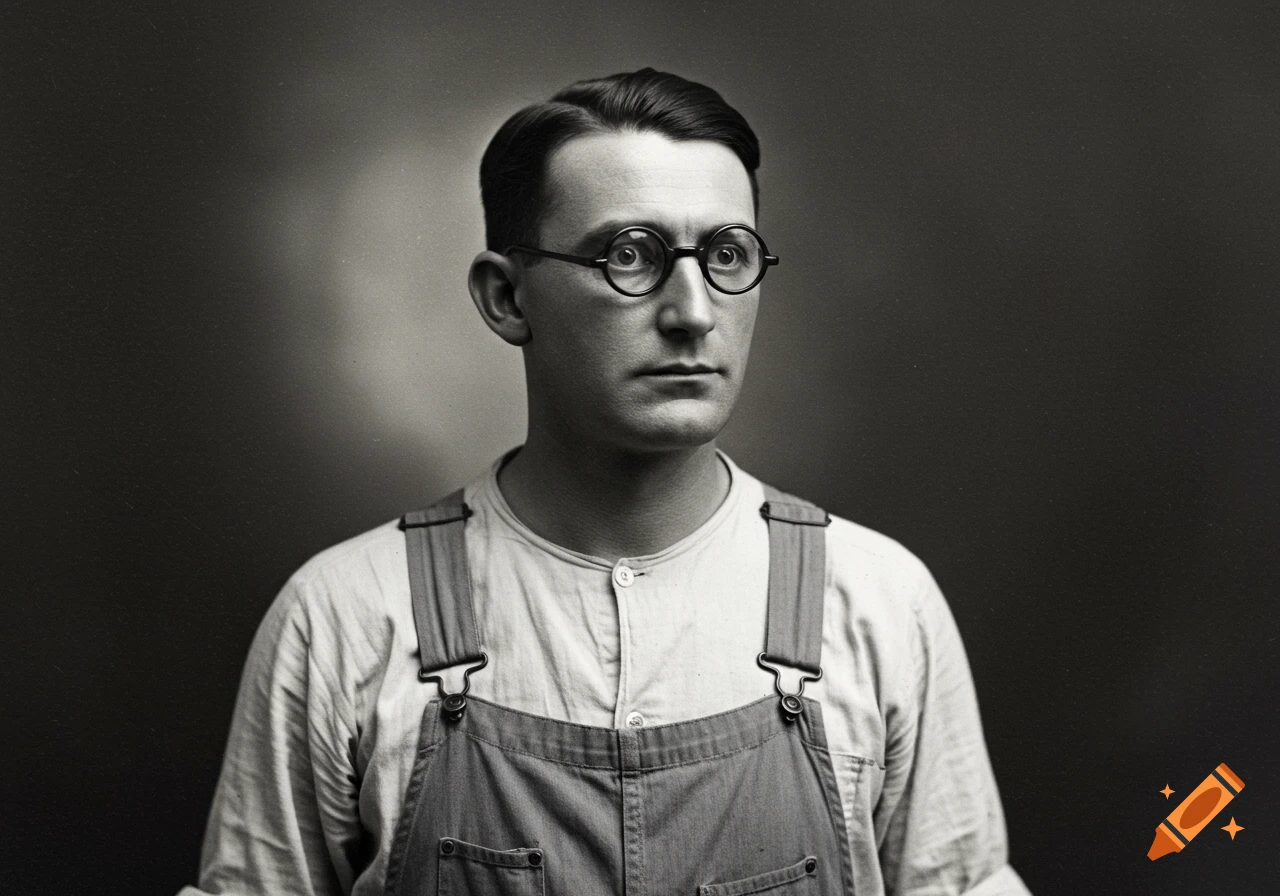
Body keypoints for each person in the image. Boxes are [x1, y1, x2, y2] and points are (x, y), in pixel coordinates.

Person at [182, 68, 1032, 896]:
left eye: (727, 254)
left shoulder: (879, 602)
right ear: (507, 297)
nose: (693, 310)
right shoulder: (343, 618)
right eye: (631, 253)